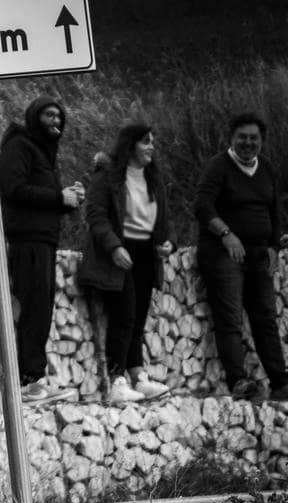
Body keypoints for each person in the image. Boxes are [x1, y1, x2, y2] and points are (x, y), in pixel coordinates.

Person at [77, 123, 174, 405]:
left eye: (152, 142)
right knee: (124, 315)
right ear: (130, 145)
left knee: (138, 316)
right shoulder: (109, 176)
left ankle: (138, 377)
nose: (151, 147)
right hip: (120, 253)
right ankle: (117, 380)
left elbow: (165, 220)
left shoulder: (153, 179)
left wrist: (169, 242)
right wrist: (114, 246)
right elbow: (96, 215)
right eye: (145, 142)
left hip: (147, 253)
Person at [194, 112, 288, 401]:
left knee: (265, 319)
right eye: (242, 138)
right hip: (224, 253)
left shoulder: (267, 169)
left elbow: (274, 211)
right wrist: (226, 234)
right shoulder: (218, 166)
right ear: (231, 139)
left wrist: (274, 246)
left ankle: (280, 382)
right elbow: (202, 206)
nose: (248, 143)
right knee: (230, 318)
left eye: (254, 138)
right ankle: (238, 382)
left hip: (260, 254)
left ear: (262, 141)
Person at [0, 96, 84, 403]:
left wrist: (68, 199)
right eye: (49, 115)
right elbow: (13, 189)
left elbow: (42, 197)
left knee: (41, 312)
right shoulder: (19, 147)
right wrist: (58, 198)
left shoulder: (43, 153)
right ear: (35, 117)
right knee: (32, 310)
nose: (56, 122)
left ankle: (33, 380)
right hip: (27, 242)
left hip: (44, 241)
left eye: (59, 117)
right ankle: (25, 382)